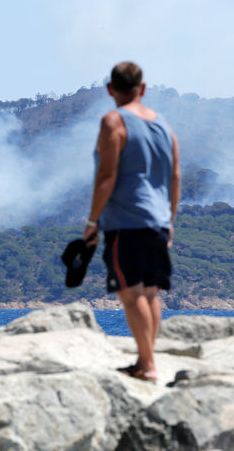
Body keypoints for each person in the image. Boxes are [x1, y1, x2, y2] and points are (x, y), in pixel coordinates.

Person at [84, 61, 180, 382]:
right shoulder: (164, 125)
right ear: (143, 88)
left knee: (130, 292)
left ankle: (148, 365)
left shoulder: (113, 121)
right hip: (157, 219)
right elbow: (175, 175)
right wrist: (170, 219)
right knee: (150, 292)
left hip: (126, 220)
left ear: (110, 89)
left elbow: (107, 176)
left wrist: (93, 220)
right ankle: (145, 359)